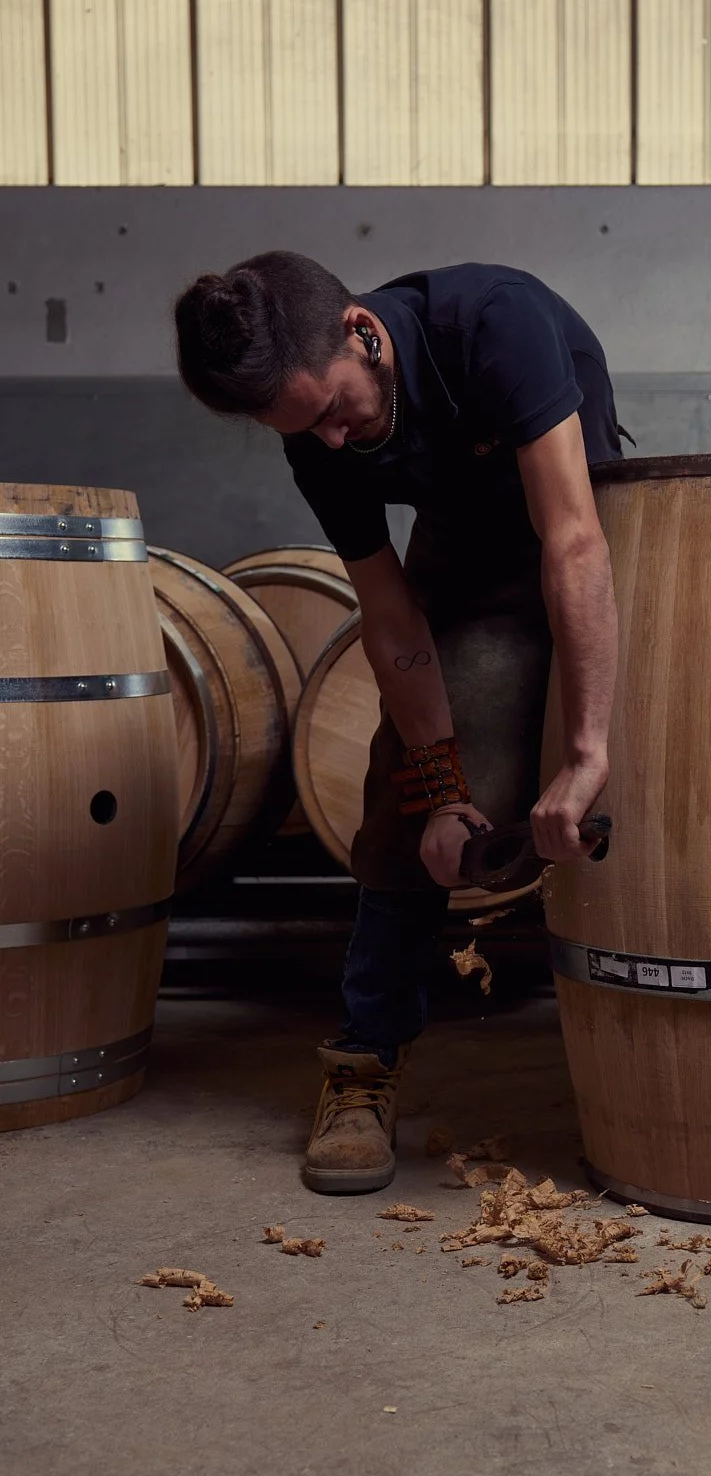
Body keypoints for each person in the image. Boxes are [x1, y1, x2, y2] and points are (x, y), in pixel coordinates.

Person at [174, 250, 620, 1194]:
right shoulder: (316, 433)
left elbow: (573, 540)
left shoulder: (492, 323)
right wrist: (444, 791)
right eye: (306, 429)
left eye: (336, 409)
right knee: (401, 811)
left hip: (594, 529)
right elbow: (389, 613)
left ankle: (646, 1054)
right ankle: (363, 1065)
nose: (332, 440)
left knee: (648, 777)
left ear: (360, 332)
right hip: (466, 562)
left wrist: (586, 754)